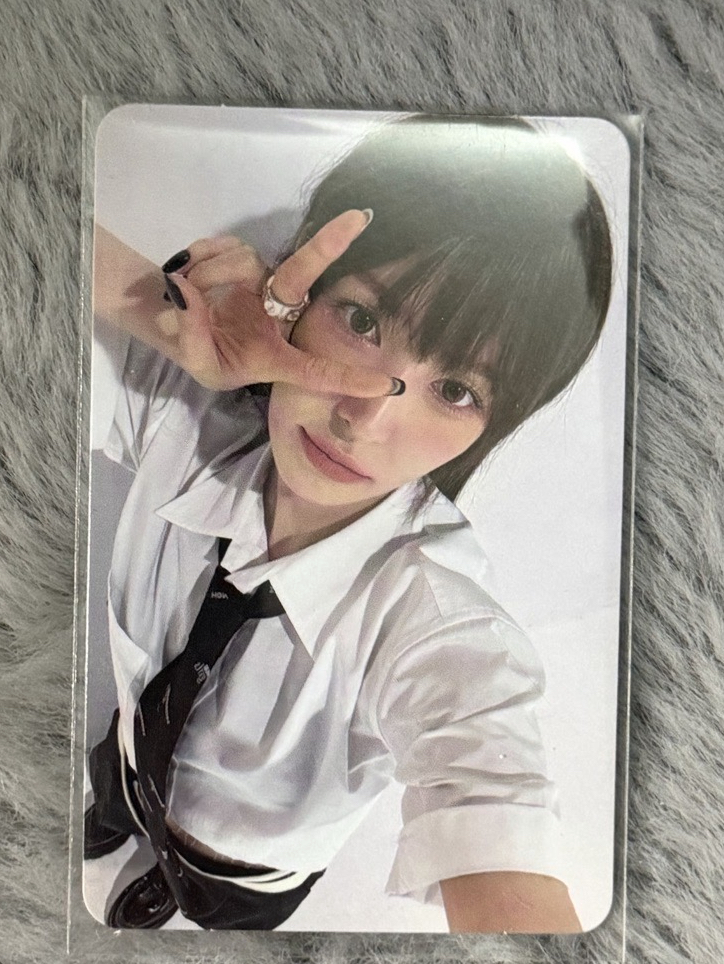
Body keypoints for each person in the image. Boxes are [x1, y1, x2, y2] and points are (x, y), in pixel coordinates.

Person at [86, 114, 612, 932]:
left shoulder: (432, 623)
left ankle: (175, 883)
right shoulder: (185, 418)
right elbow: (33, 243)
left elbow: (490, 795)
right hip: (125, 754)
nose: (364, 418)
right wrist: (164, 312)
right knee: (113, 793)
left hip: (246, 867)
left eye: (456, 390)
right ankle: (121, 818)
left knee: (220, 910)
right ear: (298, 293)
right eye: (362, 321)